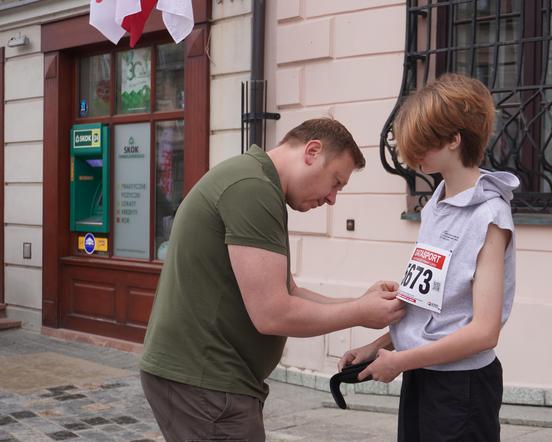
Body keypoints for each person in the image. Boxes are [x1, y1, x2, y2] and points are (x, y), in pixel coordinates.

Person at [140, 118, 405, 442]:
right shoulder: (252, 188)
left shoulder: (256, 183)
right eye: (335, 181)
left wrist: (360, 302)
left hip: (210, 381)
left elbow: (288, 290)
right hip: (206, 383)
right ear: (311, 151)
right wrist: (361, 313)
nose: (333, 198)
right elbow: (272, 313)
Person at [339, 73, 520, 442]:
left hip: (462, 387)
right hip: (423, 374)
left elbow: (485, 333)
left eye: (423, 144)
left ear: (455, 139)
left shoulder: (490, 217)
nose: (413, 155)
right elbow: (429, 306)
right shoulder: (436, 203)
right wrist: (376, 349)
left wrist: (400, 361)